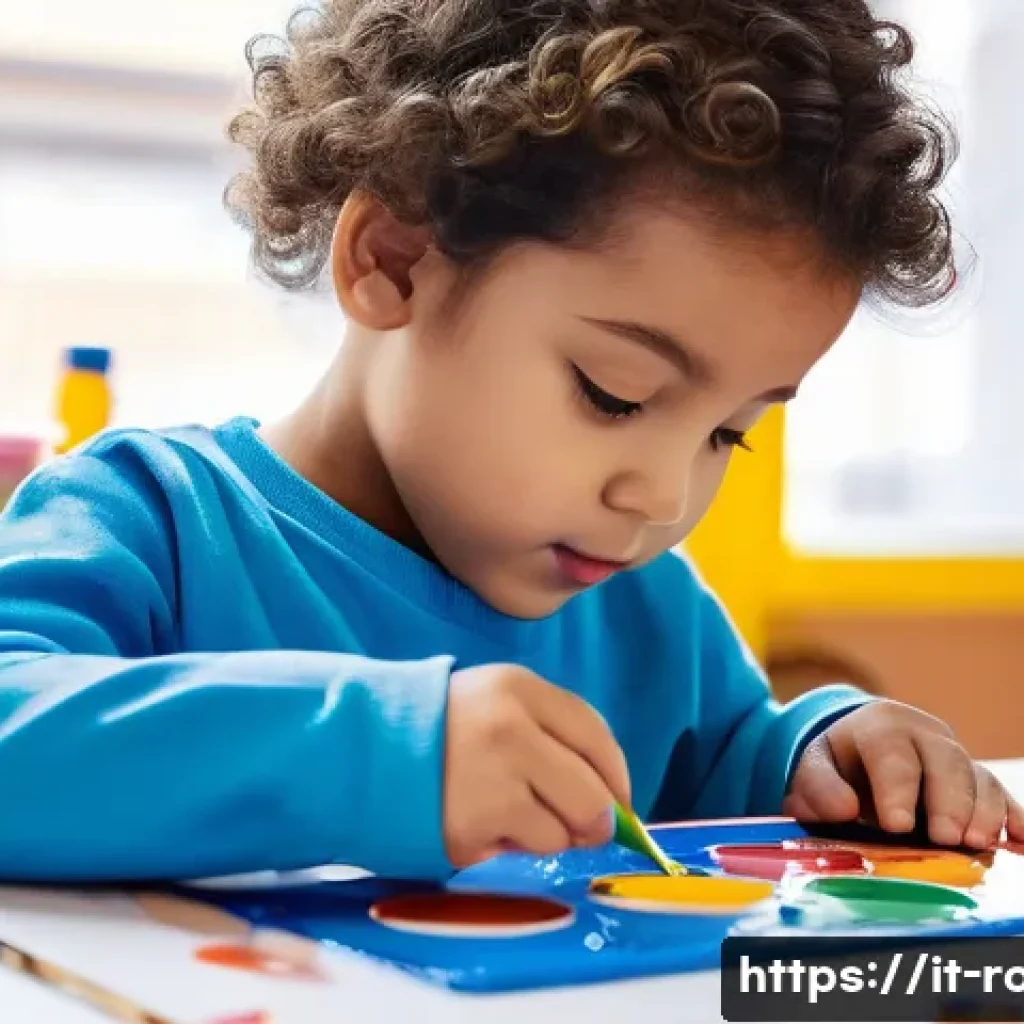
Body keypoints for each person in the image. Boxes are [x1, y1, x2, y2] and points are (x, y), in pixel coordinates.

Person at [0, 0, 1017, 883]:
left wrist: (822, 751)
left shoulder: (647, 610)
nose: (661, 497)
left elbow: (729, 769)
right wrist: (383, 755)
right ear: (394, 261)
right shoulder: (153, 520)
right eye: (614, 395)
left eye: (725, 433)